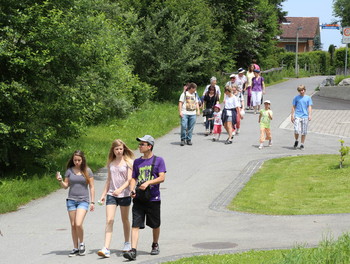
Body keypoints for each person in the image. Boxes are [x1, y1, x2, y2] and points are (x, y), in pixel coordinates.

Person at [123, 135, 166, 261]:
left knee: (155, 224)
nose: (139, 146)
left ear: (149, 146)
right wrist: (131, 189)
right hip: (139, 198)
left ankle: (155, 244)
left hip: (153, 198)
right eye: (140, 144)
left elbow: (162, 177)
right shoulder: (137, 162)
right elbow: (134, 178)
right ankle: (133, 250)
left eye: (142, 144)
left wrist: (148, 182)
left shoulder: (159, 160)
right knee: (135, 225)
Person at [97, 139, 135, 258]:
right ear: (113, 150)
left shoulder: (128, 162)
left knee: (125, 219)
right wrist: (103, 195)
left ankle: (127, 243)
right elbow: (108, 180)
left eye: (120, 149)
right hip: (111, 195)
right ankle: (106, 248)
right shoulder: (111, 163)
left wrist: (121, 189)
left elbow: (129, 180)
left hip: (124, 195)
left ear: (124, 149)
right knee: (109, 220)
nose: (119, 151)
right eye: (116, 149)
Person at [56, 150, 95, 257]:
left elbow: (91, 187)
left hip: (83, 200)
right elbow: (65, 186)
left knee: (78, 223)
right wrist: (60, 181)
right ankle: (75, 247)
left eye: (79, 160)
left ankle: (82, 244)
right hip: (71, 200)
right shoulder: (69, 171)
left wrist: (92, 202)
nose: (77, 162)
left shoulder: (87, 171)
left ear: (82, 160)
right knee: (73, 225)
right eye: (75, 160)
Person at [291, 85, 313, 150]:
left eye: (302, 90)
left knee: (304, 131)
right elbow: (293, 107)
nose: (301, 92)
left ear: (304, 90)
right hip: (297, 115)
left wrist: (310, 115)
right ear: (298, 91)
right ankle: (296, 140)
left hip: (305, 116)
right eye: (300, 90)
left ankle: (302, 144)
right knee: (296, 130)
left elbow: (309, 106)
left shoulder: (308, 98)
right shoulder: (296, 98)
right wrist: (292, 115)